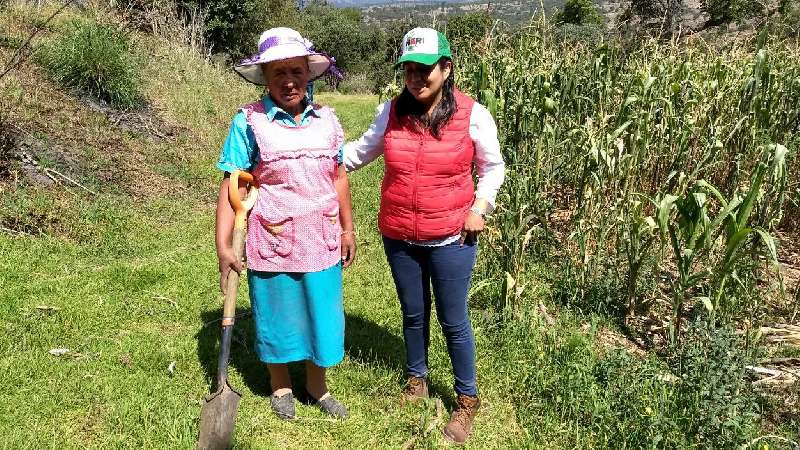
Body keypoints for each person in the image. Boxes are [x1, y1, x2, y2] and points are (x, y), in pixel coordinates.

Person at [343, 27, 505, 443]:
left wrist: (478, 207)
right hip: (399, 234)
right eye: (409, 70)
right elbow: (358, 153)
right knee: (413, 314)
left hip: (452, 235)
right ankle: (417, 381)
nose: (416, 78)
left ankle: (466, 399)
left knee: (453, 321)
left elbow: (493, 168)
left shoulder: (472, 114)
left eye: (425, 70)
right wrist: (308, 152)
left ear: (446, 68)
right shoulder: (391, 111)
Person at [215, 27, 355, 420]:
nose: (289, 80)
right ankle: (280, 384)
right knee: (278, 312)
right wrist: (224, 247)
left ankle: (317, 385)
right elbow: (232, 184)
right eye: (279, 72)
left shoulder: (327, 120)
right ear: (265, 77)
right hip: (274, 238)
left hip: (323, 237)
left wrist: (348, 227)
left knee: (323, 315)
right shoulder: (249, 123)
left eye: (296, 70)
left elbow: (338, 175)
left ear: (308, 74)